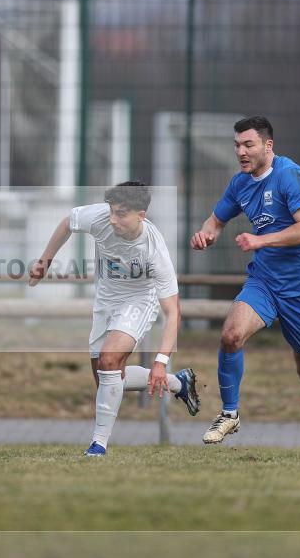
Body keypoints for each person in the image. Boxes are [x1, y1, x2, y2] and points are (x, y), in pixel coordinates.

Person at [190, 116, 300, 444]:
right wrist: (205, 235)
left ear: (268, 146)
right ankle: (230, 414)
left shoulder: (290, 176)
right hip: (265, 281)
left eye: (248, 144)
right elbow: (215, 220)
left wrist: (260, 241)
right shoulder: (240, 183)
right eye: (237, 145)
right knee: (230, 335)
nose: (241, 151)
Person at [29, 181, 199, 456]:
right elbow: (67, 223)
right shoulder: (100, 218)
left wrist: (160, 360)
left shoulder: (154, 251)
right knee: (107, 378)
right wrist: (45, 260)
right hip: (105, 302)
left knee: (109, 360)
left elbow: (173, 313)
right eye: (111, 211)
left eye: (120, 213)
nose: (112, 219)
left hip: (138, 303)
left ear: (140, 215)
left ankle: (98, 444)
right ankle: (179, 382)